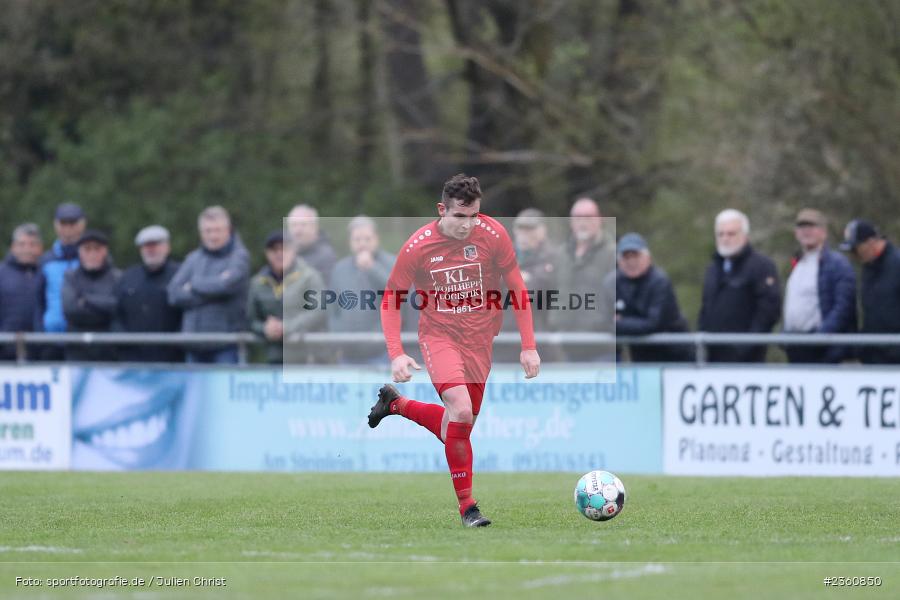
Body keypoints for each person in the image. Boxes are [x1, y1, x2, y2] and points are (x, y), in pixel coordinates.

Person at [367, 174, 540, 528]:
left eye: (474, 215)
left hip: (480, 341)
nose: (467, 224)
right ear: (442, 210)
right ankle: (468, 508)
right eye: (460, 216)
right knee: (460, 412)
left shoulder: (493, 235)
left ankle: (395, 404)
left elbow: (518, 288)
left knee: (455, 429)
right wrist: (396, 352)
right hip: (439, 336)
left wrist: (529, 346)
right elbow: (391, 299)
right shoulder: (418, 246)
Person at [167, 206, 250, 364]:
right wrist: (214, 292)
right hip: (194, 346)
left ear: (228, 230)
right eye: (208, 231)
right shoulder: (193, 258)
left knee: (224, 388)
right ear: (201, 232)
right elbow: (173, 293)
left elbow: (226, 286)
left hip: (225, 346)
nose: (213, 236)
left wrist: (194, 285)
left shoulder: (239, 257)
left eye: (217, 230)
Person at [698, 209, 781, 362]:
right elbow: (705, 308)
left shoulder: (761, 266)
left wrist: (746, 346)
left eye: (731, 234)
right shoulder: (713, 268)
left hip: (747, 361)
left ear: (744, 235)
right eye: (720, 234)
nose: (725, 239)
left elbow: (768, 311)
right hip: (713, 357)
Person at [782, 209, 856, 363]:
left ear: (823, 232)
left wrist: (821, 337)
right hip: (796, 345)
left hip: (823, 350)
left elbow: (843, 307)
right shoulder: (797, 263)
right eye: (802, 227)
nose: (806, 232)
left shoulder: (837, 264)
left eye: (811, 227)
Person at [546, 197, 616, 360]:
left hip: (602, 347)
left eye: (588, 217)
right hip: (564, 347)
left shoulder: (612, 254)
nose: (583, 222)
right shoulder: (560, 255)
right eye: (578, 217)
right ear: (571, 222)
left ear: (599, 220)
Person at [611, 233, 693, 362]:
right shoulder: (615, 282)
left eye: (635, 256)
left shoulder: (659, 281)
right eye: (626, 257)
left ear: (647, 258)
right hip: (642, 358)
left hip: (675, 358)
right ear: (619, 262)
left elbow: (653, 324)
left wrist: (620, 323)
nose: (631, 262)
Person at [248, 231, 325, 364]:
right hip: (270, 359)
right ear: (267, 253)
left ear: (294, 250)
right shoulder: (257, 283)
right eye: (274, 249)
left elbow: (318, 311)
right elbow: (250, 319)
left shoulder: (310, 277)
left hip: (307, 358)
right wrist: (265, 329)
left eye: (284, 248)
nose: (279, 254)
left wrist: (287, 327)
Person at [328, 216, 396, 364]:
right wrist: (338, 339)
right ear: (350, 242)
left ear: (376, 239)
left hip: (381, 353)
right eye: (357, 240)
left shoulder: (391, 263)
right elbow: (333, 310)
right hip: (347, 355)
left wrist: (372, 268)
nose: (362, 244)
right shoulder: (339, 269)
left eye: (367, 239)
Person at [496, 208, 560, 362]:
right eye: (520, 228)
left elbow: (535, 289)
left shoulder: (554, 257)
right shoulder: (503, 254)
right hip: (503, 339)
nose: (524, 233)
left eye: (530, 229)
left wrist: (509, 279)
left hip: (538, 341)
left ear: (542, 231)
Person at [114, 225, 184, 363]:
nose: (151, 250)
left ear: (167, 247)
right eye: (146, 246)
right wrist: (123, 343)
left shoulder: (180, 275)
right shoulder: (128, 277)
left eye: (155, 245)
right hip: (134, 360)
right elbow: (116, 314)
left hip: (172, 361)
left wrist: (177, 343)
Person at [840, 219, 900, 364]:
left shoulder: (896, 264)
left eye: (856, 248)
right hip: (874, 354)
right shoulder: (868, 267)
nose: (853, 254)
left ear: (871, 242)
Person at [62, 230, 121, 361]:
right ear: (79, 252)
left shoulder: (117, 277)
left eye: (97, 249)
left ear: (105, 251)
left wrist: (86, 300)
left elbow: (117, 307)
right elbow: (70, 309)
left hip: (109, 351)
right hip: (77, 350)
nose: (92, 254)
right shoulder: (70, 277)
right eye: (87, 249)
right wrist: (102, 307)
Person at [38, 203, 86, 359]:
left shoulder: (93, 259)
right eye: (63, 223)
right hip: (51, 340)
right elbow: (38, 301)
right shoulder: (45, 260)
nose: (68, 229)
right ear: (56, 225)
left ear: (82, 225)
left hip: (83, 339)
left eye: (72, 223)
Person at [0, 224, 43, 360]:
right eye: (22, 244)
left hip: (39, 350)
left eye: (32, 244)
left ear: (40, 248)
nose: (27, 249)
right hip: (4, 347)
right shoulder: (2, 273)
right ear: (13, 247)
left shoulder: (45, 273)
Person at [287, 204, 337, 283]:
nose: (297, 230)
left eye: (303, 225)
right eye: (294, 225)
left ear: (314, 227)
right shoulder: (284, 255)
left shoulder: (325, 256)